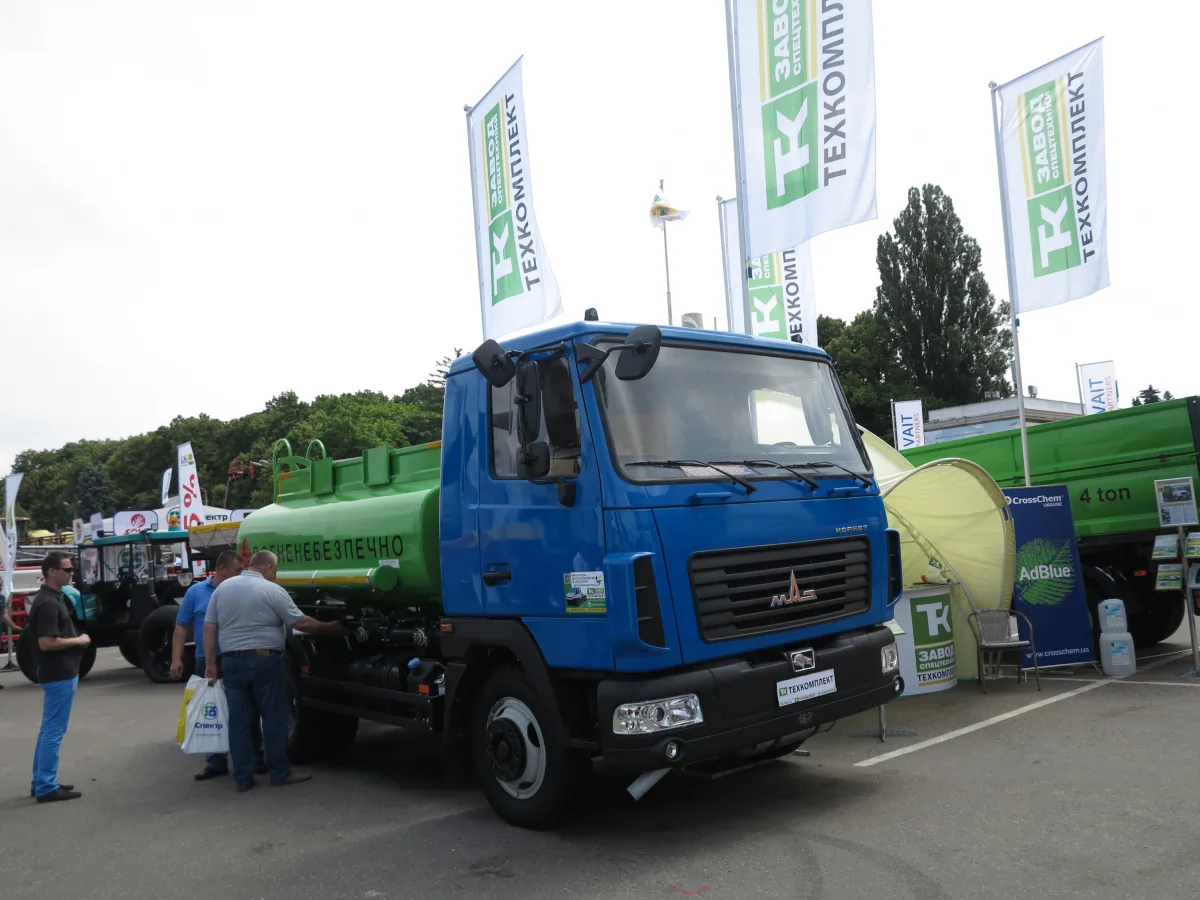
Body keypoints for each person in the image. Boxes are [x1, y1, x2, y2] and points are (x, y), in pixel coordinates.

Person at [204, 550, 347, 792]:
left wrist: (210, 663)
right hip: (264, 662)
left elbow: (209, 627)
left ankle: (242, 778)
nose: (276, 576)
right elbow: (302, 623)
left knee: (239, 720)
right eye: (276, 572)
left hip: (231, 663)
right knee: (273, 717)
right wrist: (334, 627)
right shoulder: (271, 590)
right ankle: (280, 772)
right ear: (268, 568)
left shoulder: (222, 589)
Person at [171, 549, 265, 781]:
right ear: (221, 569)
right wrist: (176, 659)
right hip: (206, 658)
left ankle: (255, 757)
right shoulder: (196, 592)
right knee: (211, 709)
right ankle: (215, 761)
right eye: (237, 570)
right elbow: (181, 626)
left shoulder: (242, 590)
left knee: (246, 708)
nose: (241, 574)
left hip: (238, 656)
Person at [27, 551, 90, 802]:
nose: (71, 573)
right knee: (53, 730)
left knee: (49, 729)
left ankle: (41, 781)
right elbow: (47, 642)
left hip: (59, 671)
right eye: (67, 569)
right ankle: (45, 785)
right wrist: (79, 640)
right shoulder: (48, 603)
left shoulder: (51, 598)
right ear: (52, 572)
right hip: (59, 672)